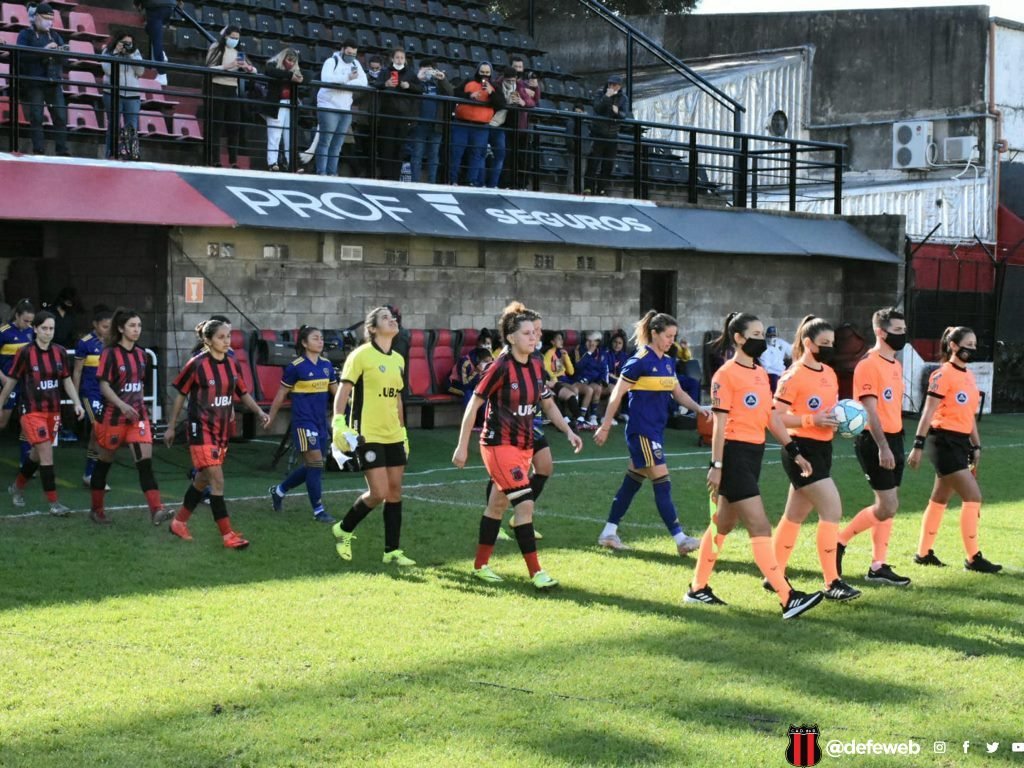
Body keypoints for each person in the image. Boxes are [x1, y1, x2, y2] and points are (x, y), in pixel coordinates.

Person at [685, 311, 825, 620]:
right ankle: (788, 597)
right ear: (739, 338)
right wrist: (716, 464)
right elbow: (719, 425)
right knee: (760, 526)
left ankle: (697, 588)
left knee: (722, 524)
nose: (762, 340)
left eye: (763, 334)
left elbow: (771, 417)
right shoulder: (725, 375)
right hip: (733, 455)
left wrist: (794, 450)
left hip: (754, 454)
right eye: (756, 335)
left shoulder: (760, 372)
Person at [453, 304, 583, 588]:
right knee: (524, 505)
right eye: (526, 333)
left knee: (497, 506)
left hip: (524, 445)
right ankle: (537, 573)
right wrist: (462, 446)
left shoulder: (536, 364)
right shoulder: (500, 367)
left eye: (534, 333)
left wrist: (568, 431)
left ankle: (480, 566)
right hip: (499, 445)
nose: (533, 337)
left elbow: (548, 403)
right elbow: (474, 405)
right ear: (511, 338)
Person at [593, 311, 710, 555]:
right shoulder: (639, 361)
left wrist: (699, 408)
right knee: (662, 482)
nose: (671, 341)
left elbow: (678, 393)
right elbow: (617, 394)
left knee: (632, 482)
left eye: (674, 336)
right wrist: (605, 426)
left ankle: (608, 533)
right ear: (654, 333)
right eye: (668, 336)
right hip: (642, 431)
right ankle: (680, 539)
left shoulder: (667, 362)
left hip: (655, 431)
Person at [770, 315, 861, 602]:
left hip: (823, 449)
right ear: (808, 343)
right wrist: (811, 419)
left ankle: (773, 573)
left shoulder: (829, 373)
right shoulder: (793, 375)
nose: (830, 347)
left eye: (832, 342)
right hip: (801, 450)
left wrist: (841, 421)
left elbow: (827, 412)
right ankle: (832, 581)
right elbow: (775, 417)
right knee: (832, 510)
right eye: (824, 343)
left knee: (794, 515)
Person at [164, 319, 269, 548]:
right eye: (221, 337)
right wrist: (171, 426)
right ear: (208, 340)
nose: (226, 341)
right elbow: (180, 395)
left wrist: (260, 412)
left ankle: (178, 522)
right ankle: (227, 535)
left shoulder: (232, 362)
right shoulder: (197, 364)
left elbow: (243, 392)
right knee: (217, 481)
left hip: (221, 431)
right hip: (201, 430)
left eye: (228, 336)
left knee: (202, 479)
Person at [908, 326, 1001, 573]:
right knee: (973, 497)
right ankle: (973, 558)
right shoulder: (942, 374)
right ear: (953, 345)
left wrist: (976, 444)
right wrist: (918, 445)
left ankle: (923, 553)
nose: (972, 348)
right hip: (943, 442)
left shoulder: (969, 376)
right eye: (968, 344)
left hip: (960, 442)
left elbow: (969, 416)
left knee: (939, 498)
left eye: (974, 344)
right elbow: (928, 411)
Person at [330, 306, 415, 565]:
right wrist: (339, 422)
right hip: (368, 434)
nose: (392, 320)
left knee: (395, 491)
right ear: (373, 328)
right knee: (378, 492)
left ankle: (392, 551)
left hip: (393, 434)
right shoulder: (361, 355)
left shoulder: (398, 359)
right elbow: (344, 391)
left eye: (393, 317)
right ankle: (343, 529)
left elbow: (397, 399)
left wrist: (403, 431)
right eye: (385, 318)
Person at [835, 307, 912, 586]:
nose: (902, 335)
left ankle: (878, 565)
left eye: (904, 330)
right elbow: (869, 410)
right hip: (875, 441)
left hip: (895, 438)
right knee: (887, 506)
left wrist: (895, 442)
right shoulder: (868, 364)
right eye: (897, 330)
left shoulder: (895, 365)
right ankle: (839, 541)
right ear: (881, 332)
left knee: (888, 505)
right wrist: (883, 446)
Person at [88, 308, 167, 525]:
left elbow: (138, 384)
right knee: (104, 462)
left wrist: (142, 407)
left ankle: (157, 510)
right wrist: (122, 405)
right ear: (121, 328)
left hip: (137, 418)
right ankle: (96, 510)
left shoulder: (142, 354)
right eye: (132, 325)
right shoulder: (110, 353)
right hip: (113, 417)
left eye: (139, 325)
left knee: (145, 464)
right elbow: (104, 386)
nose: (136, 329)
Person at [3, 311, 84, 515]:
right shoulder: (25, 352)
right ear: (35, 329)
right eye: (44, 328)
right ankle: (54, 504)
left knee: (36, 456)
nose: (48, 332)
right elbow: (11, 382)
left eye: (51, 329)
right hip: (31, 411)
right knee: (47, 454)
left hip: (52, 411)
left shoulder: (60, 351)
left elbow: (66, 380)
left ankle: (17, 488)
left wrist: (77, 403)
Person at [266, 325, 339, 523]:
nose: (320, 341)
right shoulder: (296, 366)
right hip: (303, 422)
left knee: (313, 465)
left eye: (321, 338)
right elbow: (281, 393)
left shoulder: (327, 365)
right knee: (316, 463)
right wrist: (270, 417)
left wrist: (347, 412)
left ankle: (279, 491)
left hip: (320, 422)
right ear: (305, 343)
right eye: (315, 338)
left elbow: (337, 393)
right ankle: (319, 511)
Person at [16, 3, 70, 156]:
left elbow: (66, 60)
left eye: (51, 19)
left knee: (60, 116)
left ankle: (62, 149)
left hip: (53, 81)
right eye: (45, 18)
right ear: (36, 17)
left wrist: (60, 52)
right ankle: (38, 149)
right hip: (35, 82)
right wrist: (44, 51)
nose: (49, 22)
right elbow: (20, 55)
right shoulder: (25, 34)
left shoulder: (55, 35)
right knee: (37, 116)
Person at [72, 306, 113, 487]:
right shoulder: (85, 343)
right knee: (98, 430)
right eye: (104, 326)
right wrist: (75, 398)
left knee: (98, 434)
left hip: (108, 393)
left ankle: (90, 474)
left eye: (110, 326)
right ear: (95, 325)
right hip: (90, 393)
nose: (107, 330)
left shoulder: (113, 343)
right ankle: (93, 474)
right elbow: (77, 371)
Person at [205, 26, 256, 168]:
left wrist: (247, 67)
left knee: (234, 126)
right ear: (226, 36)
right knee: (216, 125)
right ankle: (215, 160)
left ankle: (233, 161)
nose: (234, 40)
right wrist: (229, 66)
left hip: (232, 89)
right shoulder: (216, 47)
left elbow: (254, 70)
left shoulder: (238, 52)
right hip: (217, 86)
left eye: (237, 38)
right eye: (232, 37)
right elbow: (209, 68)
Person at [316, 40, 367, 176]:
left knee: (337, 144)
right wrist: (348, 78)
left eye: (354, 54)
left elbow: (364, 81)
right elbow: (326, 78)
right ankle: (321, 173)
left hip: (345, 107)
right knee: (325, 142)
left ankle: (332, 172)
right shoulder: (331, 61)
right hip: (328, 105)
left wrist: (344, 82)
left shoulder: (355, 63)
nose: (351, 56)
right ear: (342, 49)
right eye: (349, 53)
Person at [449, 62, 504, 186]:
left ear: (491, 73)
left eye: (487, 72)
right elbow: (455, 92)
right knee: (456, 152)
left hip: (481, 126)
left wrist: (491, 92)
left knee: (477, 154)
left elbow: (501, 103)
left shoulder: (494, 86)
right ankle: (452, 179)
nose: (484, 75)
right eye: (482, 72)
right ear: (478, 71)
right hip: (462, 123)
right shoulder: (468, 81)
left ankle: (471, 181)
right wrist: (469, 95)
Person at [373, 48, 423, 180]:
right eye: (397, 57)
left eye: (402, 57)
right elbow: (376, 85)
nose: (400, 60)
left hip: (404, 116)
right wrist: (386, 84)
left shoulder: (410, 73)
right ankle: (385, 176)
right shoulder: (385, 72)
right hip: (387, 115)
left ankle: (395, 177)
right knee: (386, 146)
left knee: (399, 147)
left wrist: (409, 86)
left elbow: (420, 88)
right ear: (392, 58)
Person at [405, 59, 452, 184]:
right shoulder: (416, 82)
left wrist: (442, 79)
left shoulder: (439, 84)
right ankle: (415, 182)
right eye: (424, 69)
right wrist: (418, 79)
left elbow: (450, 92)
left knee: (433, 155)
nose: (427, 72)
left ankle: (432, 182)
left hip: (436, 125)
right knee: (417, 154)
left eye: (430, 69)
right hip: (419, 124)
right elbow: (407, 91)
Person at [100, 31, 145, 160]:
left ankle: (132, 155)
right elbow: (108, 70)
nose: (127, 45)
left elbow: (140, 72)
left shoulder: (135, 53)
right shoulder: (108, 51)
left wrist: (131, 56)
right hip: (112, 93)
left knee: (131, 126)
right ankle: (111, 154)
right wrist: (116, 53)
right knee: (114, 125)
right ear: (117, 41)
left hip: (132, 94)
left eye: (129, 43)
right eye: (124, 42)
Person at [486, 66, 531, 188]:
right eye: (508, 80)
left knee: (504, 156)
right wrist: (507, 102)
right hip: (493, 123)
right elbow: (497, 102)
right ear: (504, 78)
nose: (511, 83)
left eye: (513, 80)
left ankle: (497, 184)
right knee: (485, 154)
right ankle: (485, 183)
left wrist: (522, 102)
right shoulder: (496, 85)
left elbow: (531, 102)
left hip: (510, 126)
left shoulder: (519, 87)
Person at [584, 74, 629, 196]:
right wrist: (606, 97)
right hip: (598, 133)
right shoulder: (600, 94)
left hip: (612, 135)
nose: (611, 86)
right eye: (610, 84)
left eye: (614, 84)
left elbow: (624, 114)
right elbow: (597, 108)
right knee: (593, 162)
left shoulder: (623, 98)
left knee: (608, 165)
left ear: (619, 86)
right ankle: (588, 188)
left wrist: (617, 112)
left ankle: (601, 189)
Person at [260, 48, 303, 172]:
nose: (291, 63)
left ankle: (292, 164)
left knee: (290, 136)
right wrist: (290, 76)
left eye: (293, 61)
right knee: (275, 135)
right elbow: (270, 71)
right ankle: (272, 162)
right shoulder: (273, 64)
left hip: (290, 104)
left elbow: (306, 77)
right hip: (276, 104)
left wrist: (296, 76)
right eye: (289, 60)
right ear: (283, 58)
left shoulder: (296, 70)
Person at [0, 300, 36, 436]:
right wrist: (2, 378)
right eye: (25, 320)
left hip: (26, 382)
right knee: (2, 422)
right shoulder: (3, 332)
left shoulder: (32, 332)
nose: (28, 324)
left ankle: (26, 449)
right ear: (17, 316)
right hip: (7, 382)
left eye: (30, 321)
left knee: (28, 421)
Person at [542, 331, 582, 426]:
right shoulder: (549, 353)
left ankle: (578, 417)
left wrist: (566, 357)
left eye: (562, 339)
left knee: (574, 390)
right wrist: (554, 379)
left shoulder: (562, 352)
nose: (561, 341)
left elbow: (571, 371)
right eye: (559, 339)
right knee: (573, 390)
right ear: (552, 342)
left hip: (566, 379)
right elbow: (546, 369)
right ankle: (567, 417)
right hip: (556, 380)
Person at [134, 0, 176, 85]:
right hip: (169, 6)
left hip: (155, 6)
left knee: (157, 40)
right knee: (150, 29)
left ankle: (162, 73)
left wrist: (137, 3)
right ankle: (161, 54)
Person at [573, 331, 609, 429]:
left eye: (592, 341)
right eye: (588, 341)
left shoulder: (601, 353)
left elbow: (603, 369)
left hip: (592, 381)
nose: (590, 343)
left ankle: (593, 417)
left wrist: (601, 380)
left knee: (598, 388)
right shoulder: (579, 350)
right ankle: (581, 417)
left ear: (597, 343)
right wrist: (589, 353)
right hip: (579, 380)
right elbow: (578, 367)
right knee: (590, 389)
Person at [760, 325, 792, 393]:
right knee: (776, 386)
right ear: (766, 336)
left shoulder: (780, 343)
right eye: (769, 336)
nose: (772, 338)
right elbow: (766, 367)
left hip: (783, 372)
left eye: (773, 335)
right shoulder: (763, 347)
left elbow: (792, 351)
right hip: (771, 373)